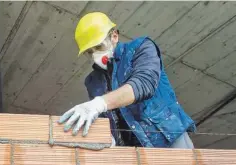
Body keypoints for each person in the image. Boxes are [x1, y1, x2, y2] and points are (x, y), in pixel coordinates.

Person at [58, 12, 196, 149]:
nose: (95, 55)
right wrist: (108, 139)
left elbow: (144, 84)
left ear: (114, 36)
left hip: (168, 137)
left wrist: (99, 103)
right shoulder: (93, 81)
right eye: (89, 51)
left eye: (99, 47)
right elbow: (104, 120)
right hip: (133, 151)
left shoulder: (140, 48)